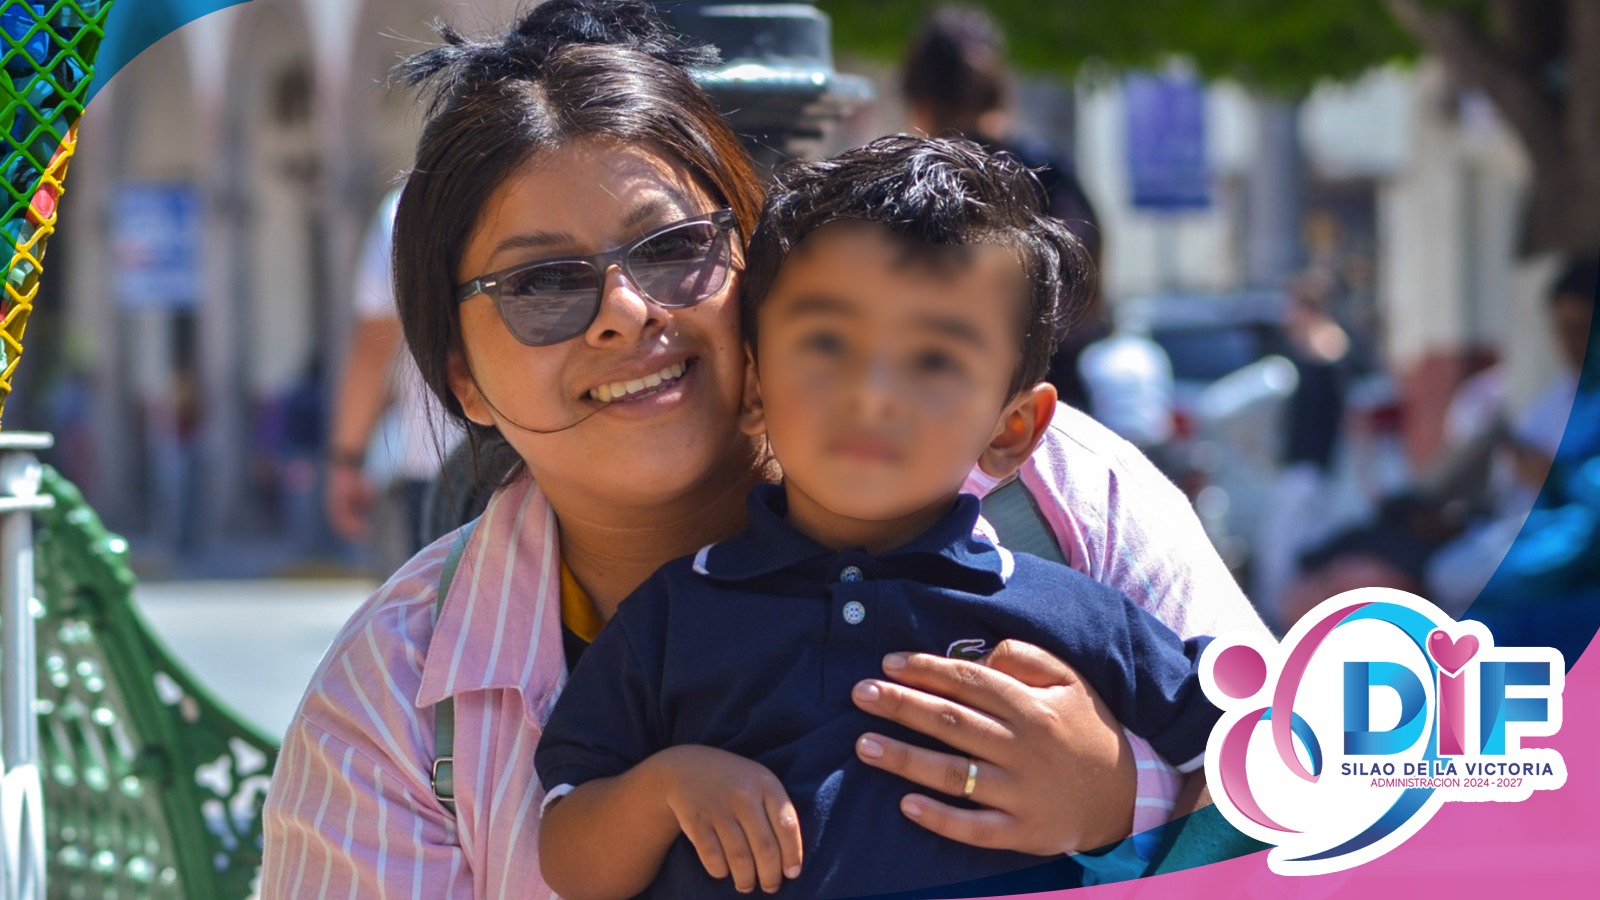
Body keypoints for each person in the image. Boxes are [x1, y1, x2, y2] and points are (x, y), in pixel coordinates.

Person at [260, 3, 1265, 897]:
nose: (623, 311)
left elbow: (1309, 793)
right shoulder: (393, 700)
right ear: (463, 380)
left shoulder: (1062, 487)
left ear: (755, 267)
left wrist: (1118, 800)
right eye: (542, 285)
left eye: (672, 248)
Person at [533, 137, 1220, 899]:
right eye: (828, 343)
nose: (871, 393)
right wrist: (662, 788)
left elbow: (1261, 765)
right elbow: (569, 858)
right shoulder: (672, 617)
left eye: (934, 360)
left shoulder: (1076, 617)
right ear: (754, 386)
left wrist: (1131, 830)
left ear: (1012, 428)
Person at [899, 3, 1109, 412]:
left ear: (919, 98)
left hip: (942, 405)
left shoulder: (912, 184)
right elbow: (1090, 294)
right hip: (1054, 400)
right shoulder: (1046, 172)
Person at [325, 187, 461, 575]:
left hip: (440, 470)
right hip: (547, 463)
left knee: (450, 607)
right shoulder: (542, 186)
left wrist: (347, 459)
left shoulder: (405, 211)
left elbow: (374, 347)